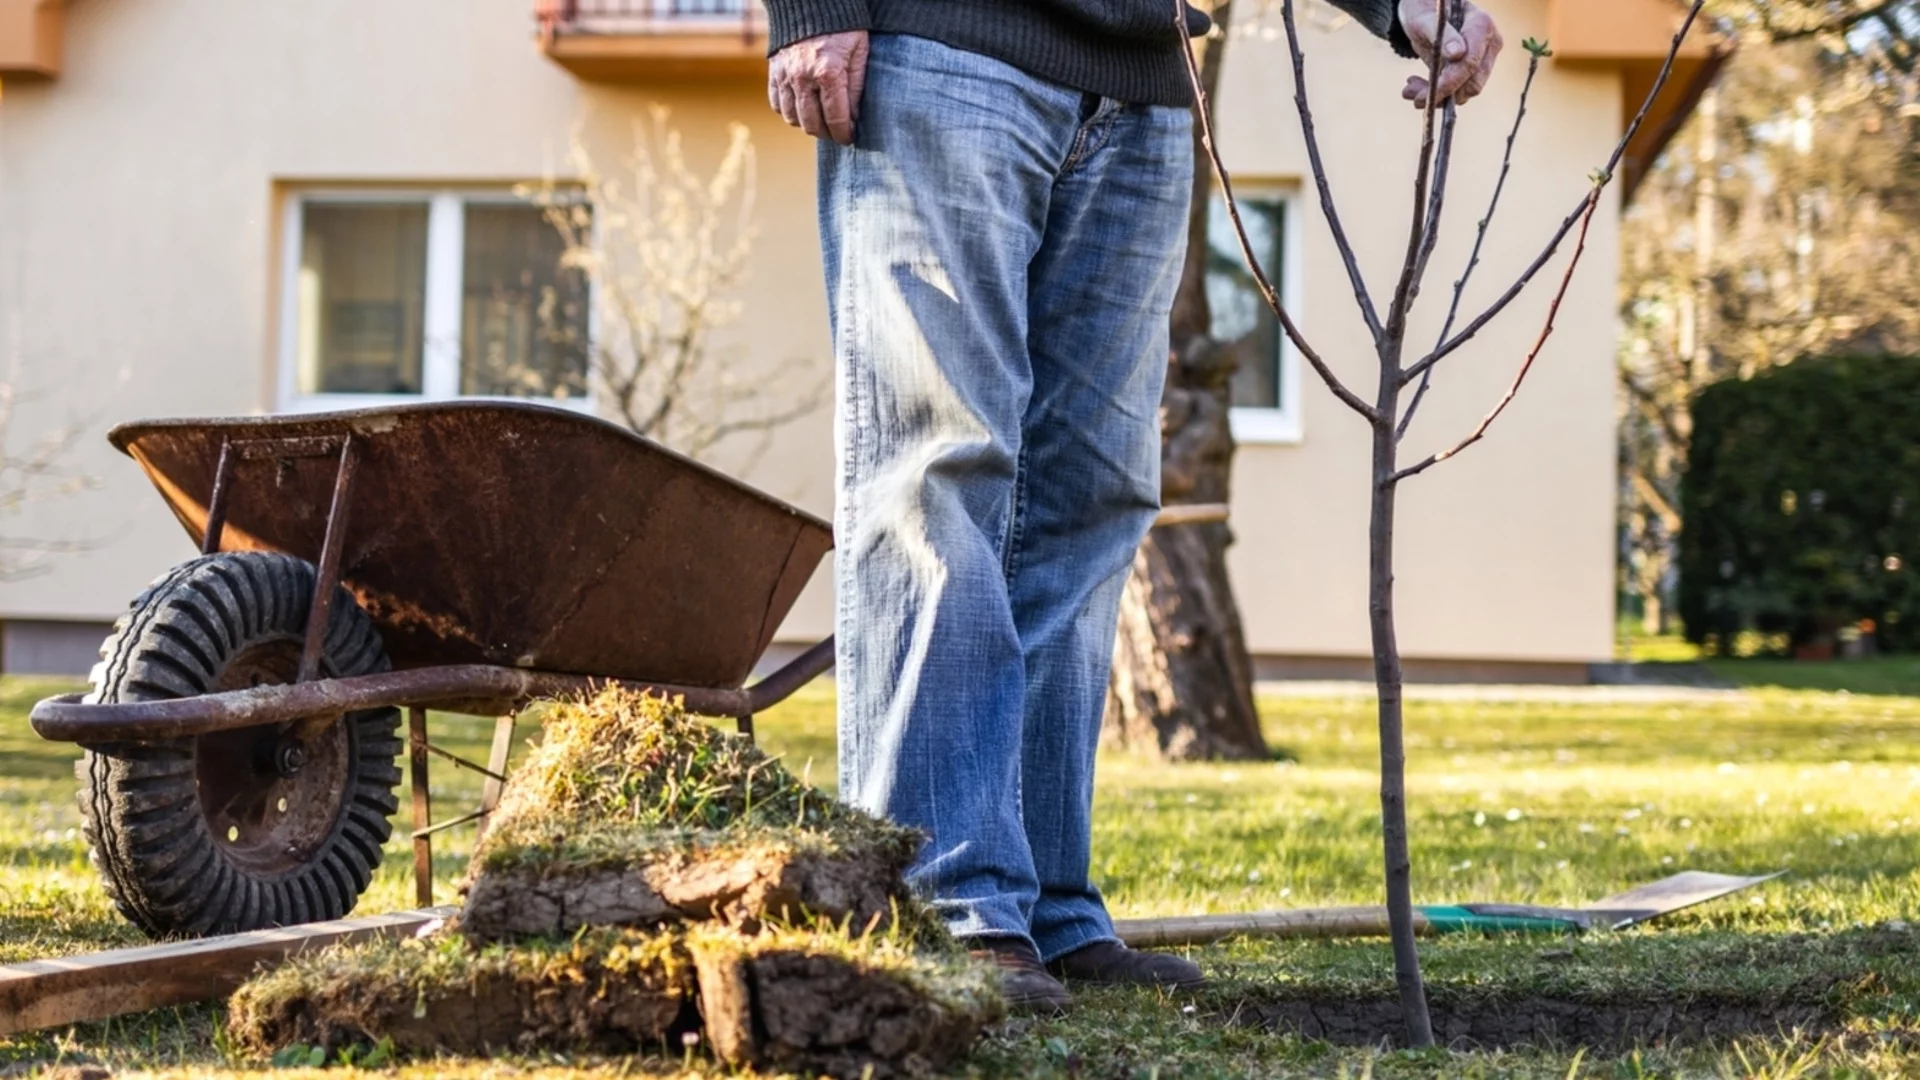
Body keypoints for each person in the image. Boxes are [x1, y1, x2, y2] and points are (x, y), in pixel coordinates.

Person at [762, 0, 1503, 1013]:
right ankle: (943, 901)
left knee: (1092, 498)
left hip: (1144, 85)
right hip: (944, 46)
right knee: (938, 472)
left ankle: (1045, 907)